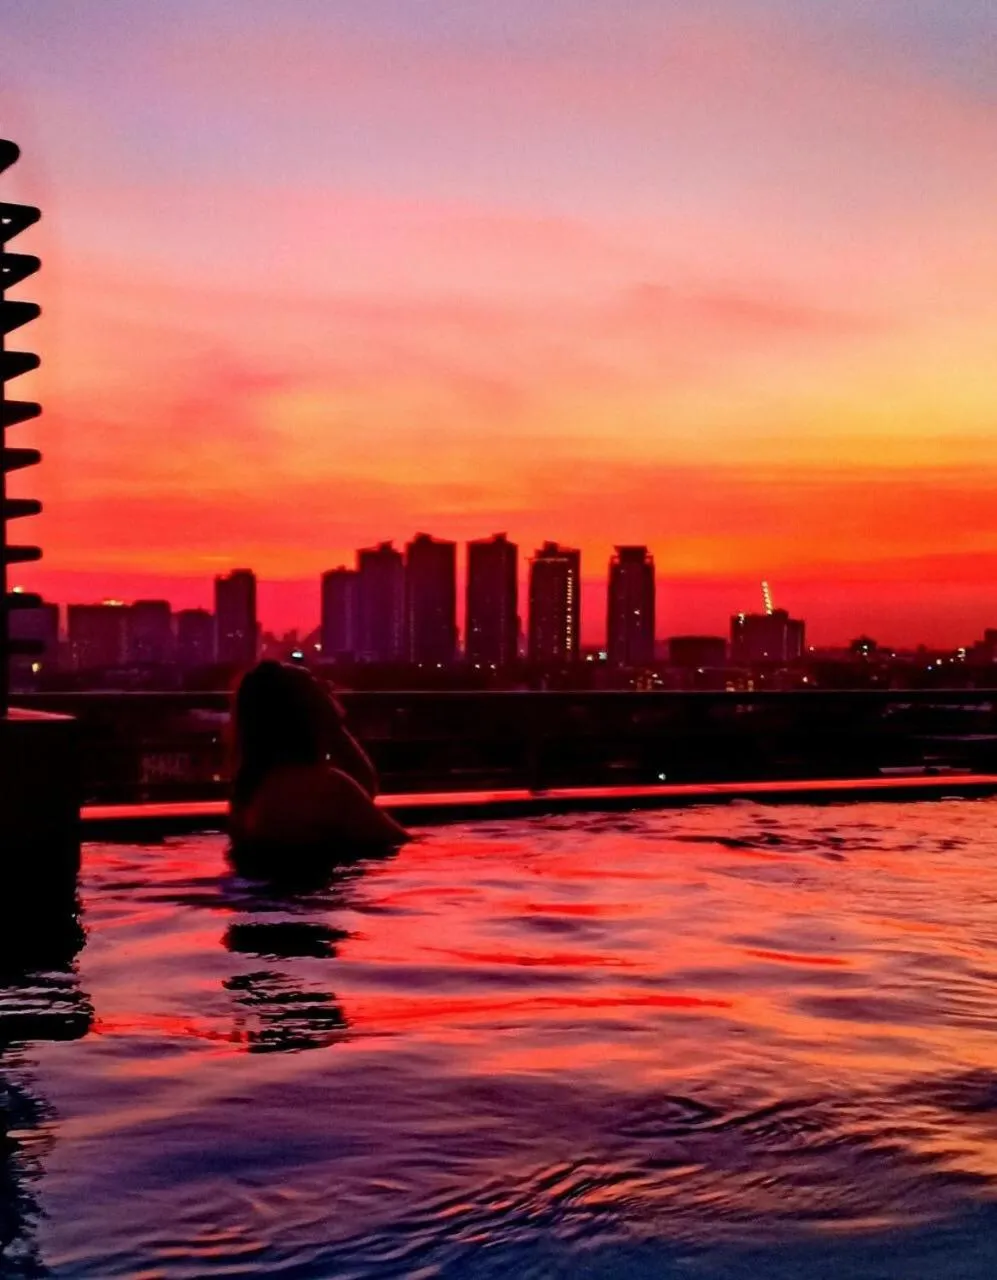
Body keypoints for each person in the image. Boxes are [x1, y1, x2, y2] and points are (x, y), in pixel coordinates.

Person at [228, 661, 408, 874]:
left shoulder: (249, 793)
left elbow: (364, 789)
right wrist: (333, 723)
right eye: (318, 688)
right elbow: (397, 842)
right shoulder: (327, 788)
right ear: (308, 711)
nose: (328, 688)